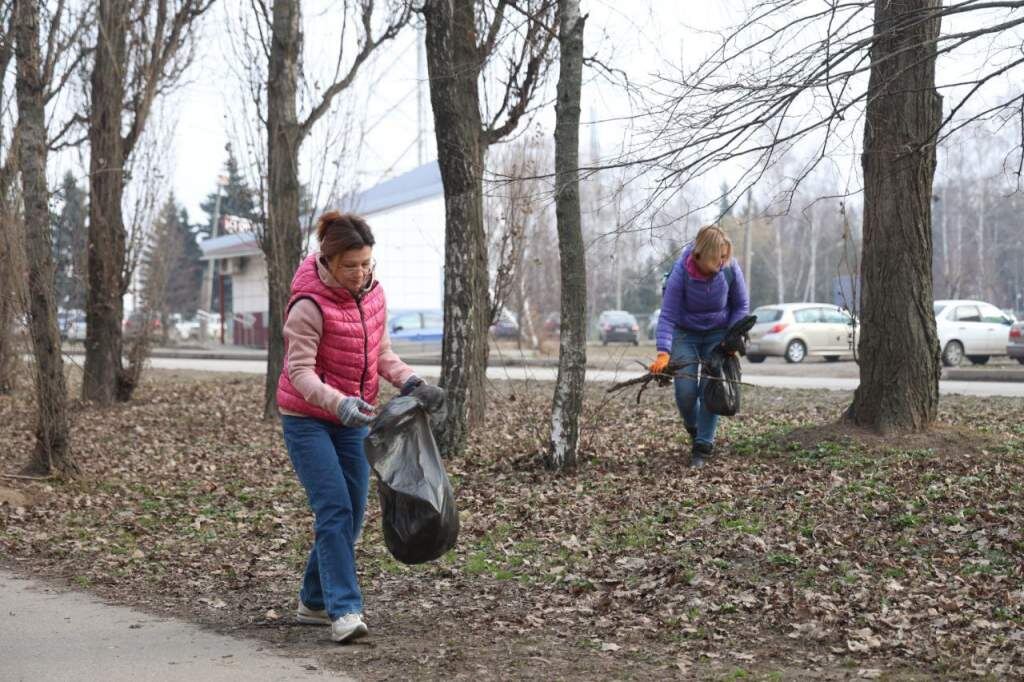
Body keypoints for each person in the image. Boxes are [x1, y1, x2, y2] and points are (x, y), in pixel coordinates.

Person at [276, 211, 444, 642]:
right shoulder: (308, 306)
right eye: (350, 265)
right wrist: (339, 402)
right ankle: (344, 610)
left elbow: (381, 352)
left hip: (353, 420)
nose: (360, 272)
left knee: (349, 518)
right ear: (328, 261)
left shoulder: (373, 294)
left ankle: (312, 601)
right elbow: (299, 373)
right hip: (308, 421)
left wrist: (412, 382)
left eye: (367, 263)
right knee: (333, 508)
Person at [650, 224, 749, 468]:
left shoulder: (729, 269)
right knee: (685, 392)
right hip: (685, 333)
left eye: (726, 256)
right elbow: (668, 315)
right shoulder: (681, 272)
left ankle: (703, 446)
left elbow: (741, 305)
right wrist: (663, 352)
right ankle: (694, 428)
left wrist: (733, 336)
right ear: (702, 255)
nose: (723, 261)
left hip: (717, 334)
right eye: (718, 257)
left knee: (710, 389)